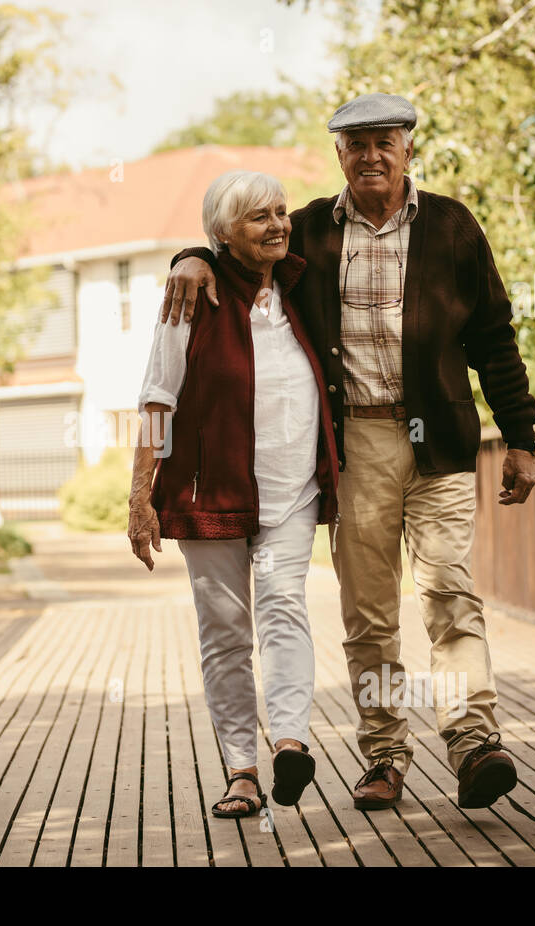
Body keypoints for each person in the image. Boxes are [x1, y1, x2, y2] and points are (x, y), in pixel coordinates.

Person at [159, 93, 535, 811]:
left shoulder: (453, 226)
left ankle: (473, 742)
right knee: (370, 614)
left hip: (443, 439)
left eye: (384, 141)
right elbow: (238, 244)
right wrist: (190, 257)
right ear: (339, 154)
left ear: (408, 149)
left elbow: (494, 335)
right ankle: (386, 752)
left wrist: (520, 436)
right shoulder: (305, 230)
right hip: (354, 444)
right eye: (356, 144)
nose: (371, 155)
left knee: (450, 593)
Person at [127, 170, 340, 817]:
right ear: (222, 234)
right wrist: (140, 497)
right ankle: (241, 770)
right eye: (258, 218)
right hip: (209, 495)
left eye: (280, 212)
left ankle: (290, 742)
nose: (278, 225)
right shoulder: (195, 296)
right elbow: (156, 401)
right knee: (225, 632)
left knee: (284, 612)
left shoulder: (303, 288)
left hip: (290, 494)